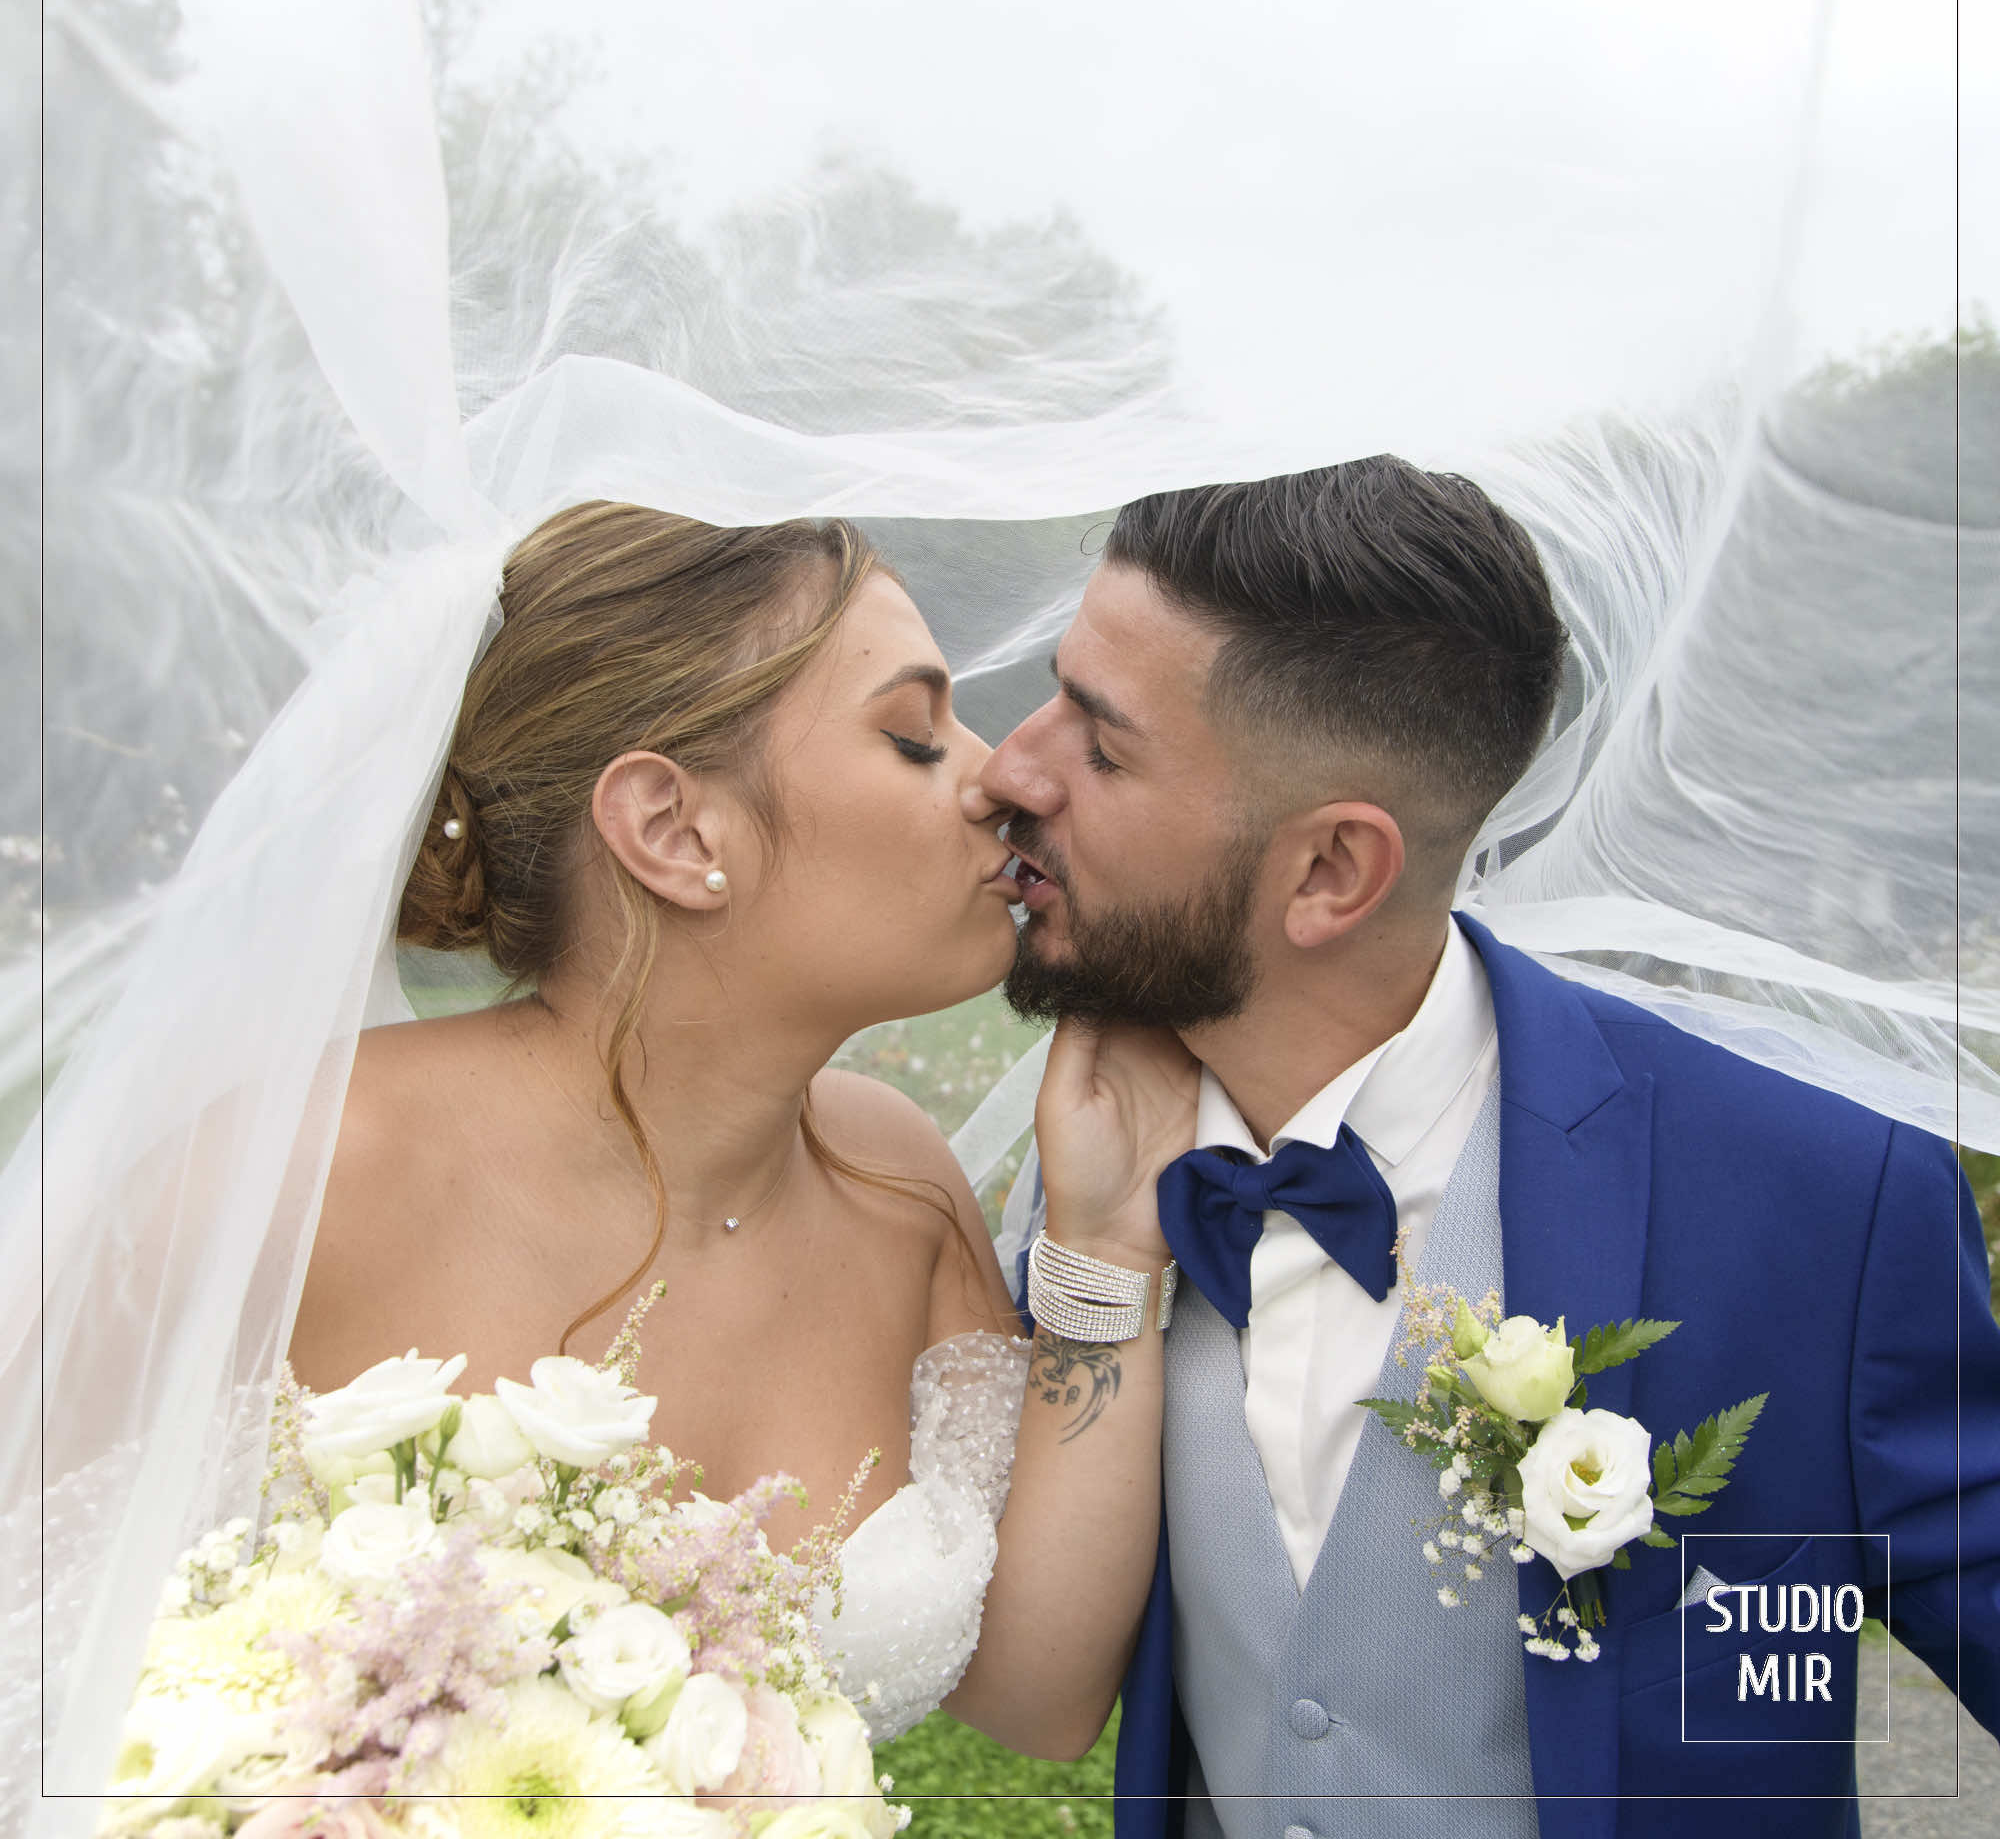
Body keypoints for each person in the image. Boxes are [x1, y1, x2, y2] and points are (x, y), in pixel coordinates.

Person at [981, 456, 2000, 1838]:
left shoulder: (1822, 1205)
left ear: (1334, 869)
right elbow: (1038, 1690)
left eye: (1101, 745)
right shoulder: (1093, 1176)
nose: (1010, 766)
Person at [284, 495, 1190, 1755]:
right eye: (915, 736)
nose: (996, 777)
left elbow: (1034, 1693)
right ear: (670, 827)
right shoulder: (307, 1172)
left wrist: (1107, 1241)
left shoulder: (899, 1182)